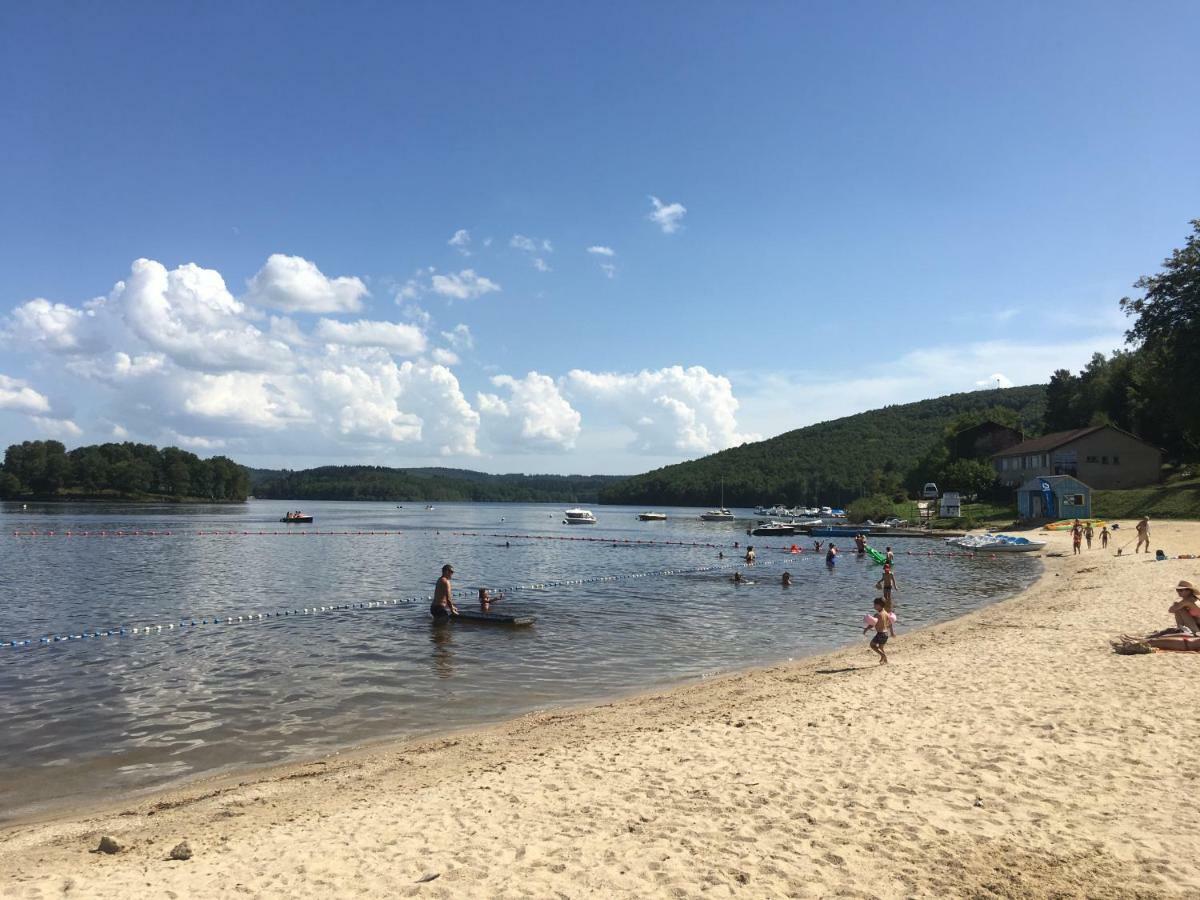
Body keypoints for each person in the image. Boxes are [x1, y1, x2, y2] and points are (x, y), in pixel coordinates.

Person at [863, 597, 894, 665]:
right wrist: (892, 632)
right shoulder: (886, 613)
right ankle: (885, 660)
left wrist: (866, 629)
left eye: (875, 605)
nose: (873, 606)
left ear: (879, 605)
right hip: (886, 634)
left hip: (880, 634)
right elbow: (889, 623)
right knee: (880, 648)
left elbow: (872, 624)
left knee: (872, 645)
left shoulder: (877, 615)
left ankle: (883, 655)